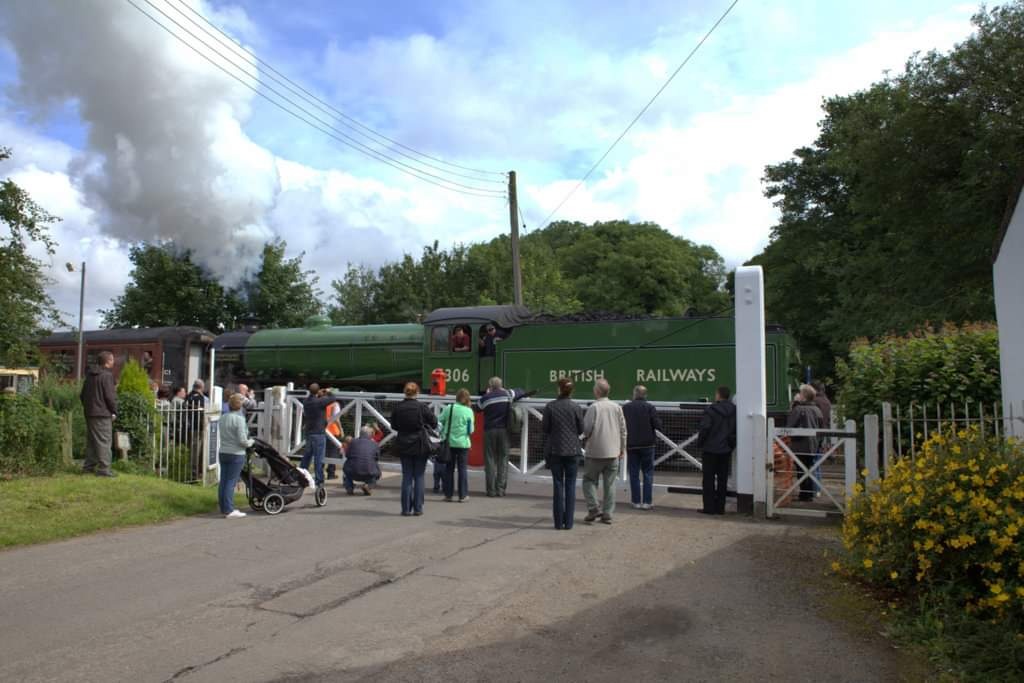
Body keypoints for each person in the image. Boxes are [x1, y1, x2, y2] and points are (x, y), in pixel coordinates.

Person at [582, 378, 627, 525]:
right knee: (610, 484)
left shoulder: (593, 408)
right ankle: (607, 513)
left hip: (595, 451)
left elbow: (587, 429)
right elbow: (623, 430)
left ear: (597, 391)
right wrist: (622, 448)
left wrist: (583, 437)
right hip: (613, 451)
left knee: (589, 480)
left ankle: (593, 507)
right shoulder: (617, 407)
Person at [543, 378, 584, 530]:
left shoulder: (550, 407)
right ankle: (569, 523)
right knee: (571, 485)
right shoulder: (576, 407)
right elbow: (581, 429)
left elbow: (545, 428)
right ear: (571, 391)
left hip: (555, 450)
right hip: (573, 450)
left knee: (558, 485)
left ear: (558, 390)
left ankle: (558, 522)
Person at [390, 382, 436, 516]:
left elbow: (394, 426)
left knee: (407, 476)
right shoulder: (422, 407)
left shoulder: (398, 407)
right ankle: (418, 508)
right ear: (417, 392)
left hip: (403, 443)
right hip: (420, 443)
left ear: (405, 392)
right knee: (419, 476)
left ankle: (405, 509)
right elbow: (433, 422)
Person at [479, 376, 529, 497]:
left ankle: (490, 490)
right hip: (503, 431)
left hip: (489, 431)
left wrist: (488, 394)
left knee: (489, 460)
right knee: (503, 459)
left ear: (490, 386)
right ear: (500, 385)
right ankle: (500, 489)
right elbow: (521, 391)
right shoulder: (508, 394)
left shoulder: (485, 398)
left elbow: (478, 408)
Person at [696, 386, 737, 515]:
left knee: (708, 479)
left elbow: (705, 428)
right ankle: (720, 508)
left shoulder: (711, 410)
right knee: (722, 479)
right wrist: (731, 445)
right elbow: (734, 430)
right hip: (725, 449)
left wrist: (700, 443)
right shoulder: (734, 410)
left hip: (710, 449)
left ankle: (709, 507)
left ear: (718, 395)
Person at [622, 384, 662, 510]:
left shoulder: (626, 408)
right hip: (648, 445)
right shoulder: (650, 407)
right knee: (648, 473)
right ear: (645, 395)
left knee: (633, 473)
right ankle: (647, 502)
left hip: (632, 445)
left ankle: (636, 501)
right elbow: (658, 425)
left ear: (634, 394)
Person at [80, 350, 118, 478]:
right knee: (104, 441)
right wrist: (114, 411)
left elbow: (82, 395)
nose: (114, 361)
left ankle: (88, 467)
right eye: (112, 359)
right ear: (108, 361)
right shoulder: (107, 376)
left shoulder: (90, 375)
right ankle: (104, 469)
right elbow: (110, 397)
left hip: (90, 412)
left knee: (92, 441)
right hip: (102, 413)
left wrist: (88, 407)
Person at [299, 384, 343, 488]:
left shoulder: (306, 402)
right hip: (318, 432)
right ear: (318, 391)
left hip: (309, 432)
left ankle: (300, 475)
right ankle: (319, 480)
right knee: (319, 458)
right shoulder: (320, 402)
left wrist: (319, 394)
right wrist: (327, 391)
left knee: (307, 455)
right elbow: (333, 398)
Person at [787, 384, 825, 502]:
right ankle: (809, 493)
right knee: (809, 468)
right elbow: (821, 427)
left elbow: (790, 425)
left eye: (800, 393)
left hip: (800, 444)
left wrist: (793, 404)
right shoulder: (817, 409)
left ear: (803, 396)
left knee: (801, 470)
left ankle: (804, 494)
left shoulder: (798, 409)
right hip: (813, 445)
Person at [218, 393, 253, 519]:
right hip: (236, 453)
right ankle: (229, 509)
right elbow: (243, 441)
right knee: (231, 482)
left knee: (223, 481)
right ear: (240, 406)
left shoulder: (223, 417)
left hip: (223, 452)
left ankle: (223, 507)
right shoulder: (239, 419)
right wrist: (251, 442)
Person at [438, 388, 475, 502]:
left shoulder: (450, 408)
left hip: (449, 442)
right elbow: (471, 430)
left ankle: (448, 495)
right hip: (463, 443)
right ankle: (463, 495)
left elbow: (439, 421)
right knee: (462, 469)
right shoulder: (469, 411)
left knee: (449, 469)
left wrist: (443, 432)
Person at [343, 426, 382, 495]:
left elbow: (347, 455)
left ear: (360, 434)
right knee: (377, 472)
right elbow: (377, 458)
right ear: (370, 435)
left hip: (352, 472)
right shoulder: (375, 444)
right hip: (369, 472)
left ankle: (349, 487)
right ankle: (369, 485)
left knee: (346, 470)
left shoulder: (352, 442)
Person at [325, 399, 344, 480]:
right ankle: (331, 473)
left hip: (324, 430)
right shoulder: (335, 404)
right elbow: (336, 418)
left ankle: (320, 472)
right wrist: (341, 429)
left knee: (323, 452)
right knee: (333, 453)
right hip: (333, 431)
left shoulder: (324, 403)